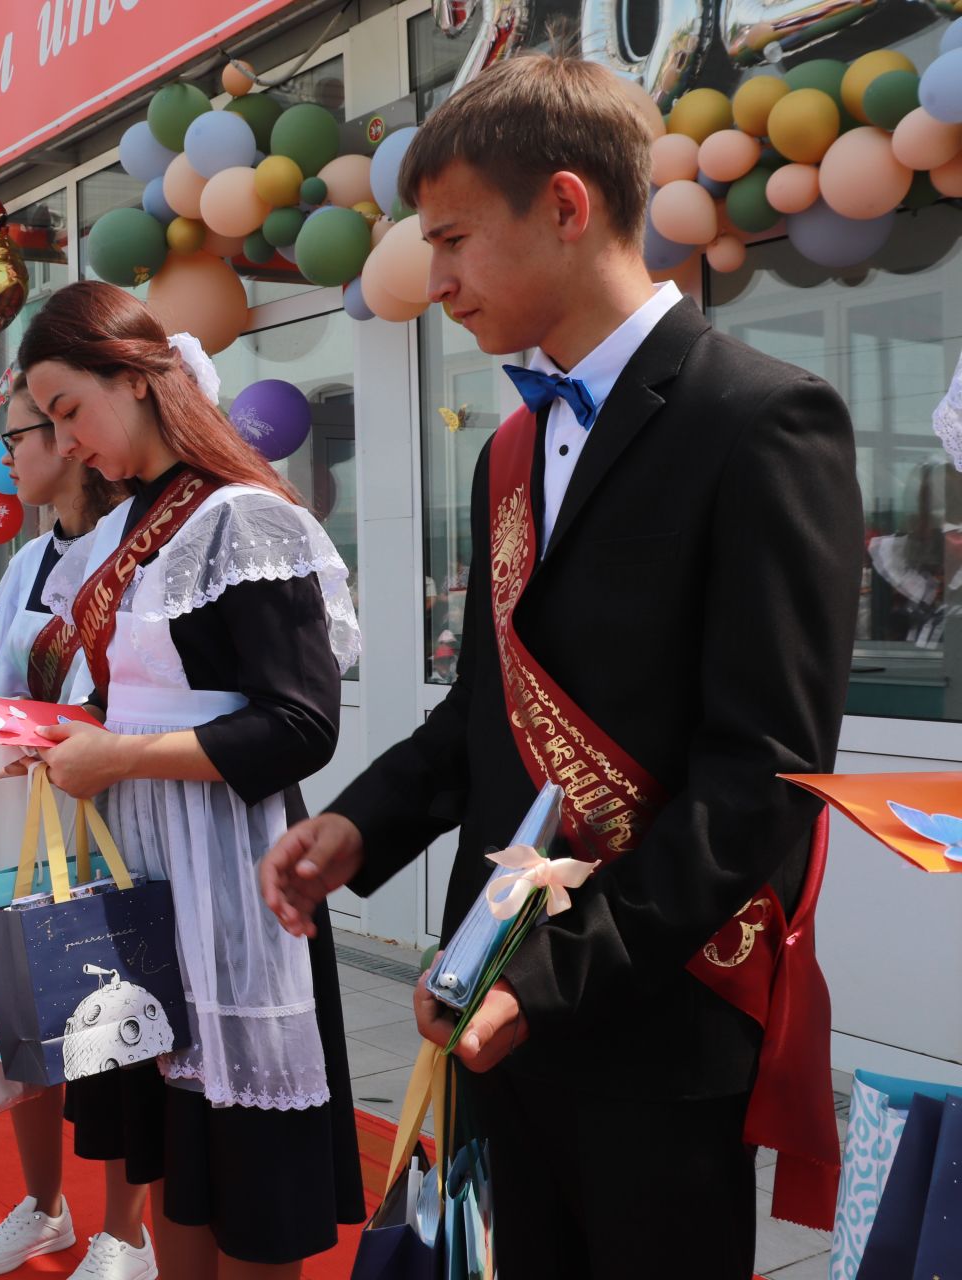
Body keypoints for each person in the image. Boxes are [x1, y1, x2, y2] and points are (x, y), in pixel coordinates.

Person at [258, 55, 861, 1280]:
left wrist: (550, 976)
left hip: (652, 1007)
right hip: (494, 996)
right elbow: (484, 703)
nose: (435, 284)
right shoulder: (512, 450)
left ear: (569, 207)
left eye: (455, 240)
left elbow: (764, 780)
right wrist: (361, 827)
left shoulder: (761, 420)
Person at [18, 282, 364, 1280]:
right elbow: (143, 702)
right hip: (153, 885)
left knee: (249, 1177)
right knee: (175, 1156)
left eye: (71, 409)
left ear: (135, 377)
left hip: (234, 888)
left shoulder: (240, 517)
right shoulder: (142, 523)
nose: (67, 440)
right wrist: (72, 733)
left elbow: (299, 723)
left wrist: (118, 755)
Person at [0, 372, 141, 1279]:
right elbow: (4, 685)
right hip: (30, 810)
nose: (3, 455)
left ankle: (128, 1231)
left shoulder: (135, 544)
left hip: (115, 808)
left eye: (17, 435)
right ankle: (43, 1205)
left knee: (118, 1014)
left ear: (71, 437)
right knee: (25, 1010)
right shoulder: (27, 563)